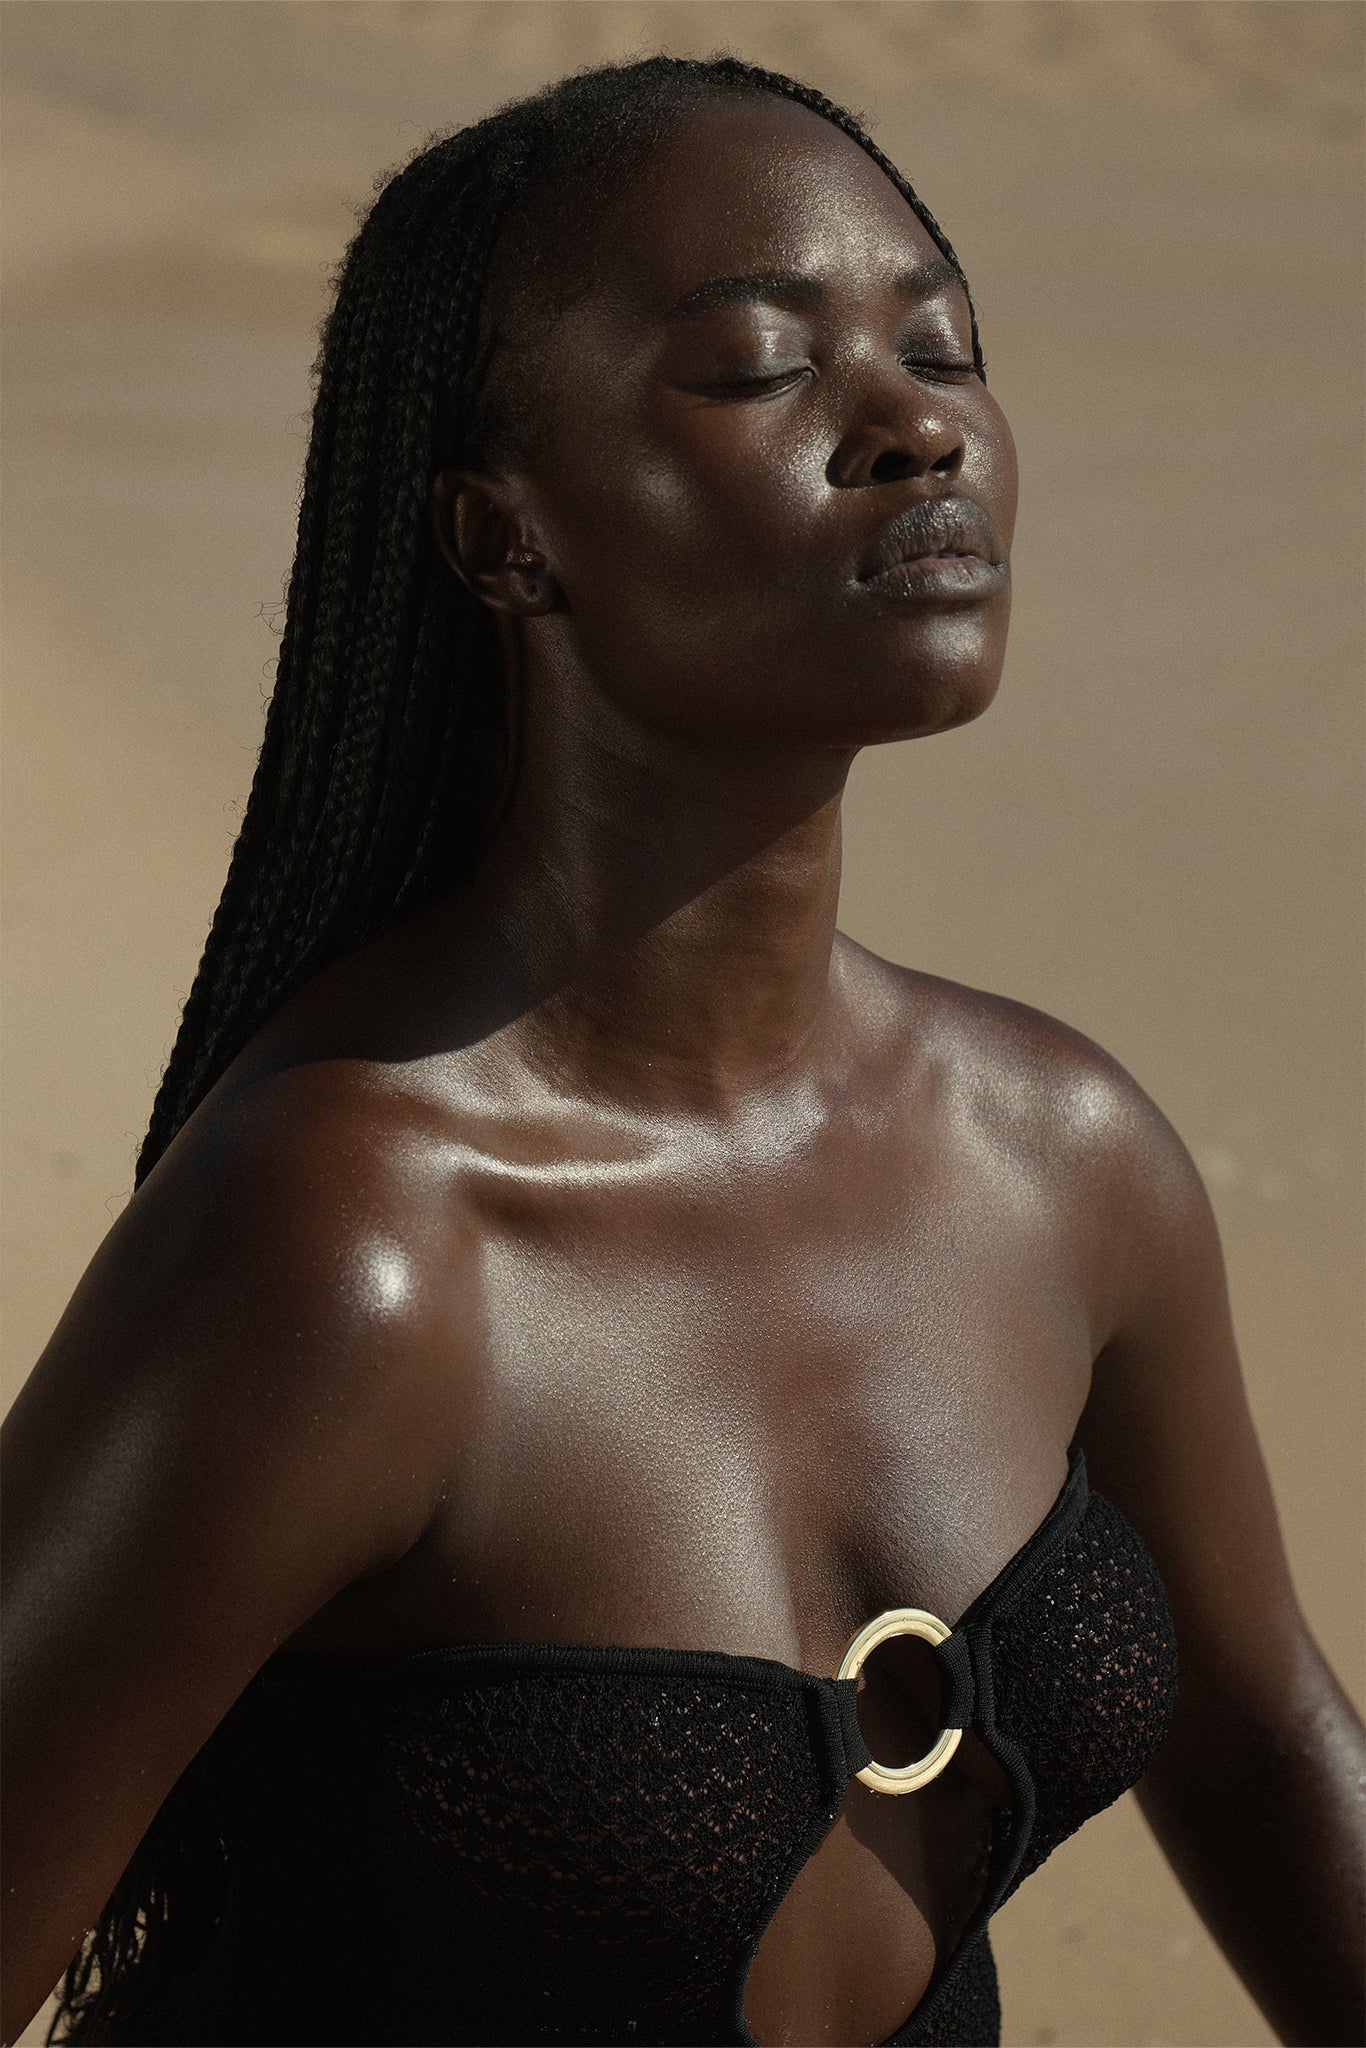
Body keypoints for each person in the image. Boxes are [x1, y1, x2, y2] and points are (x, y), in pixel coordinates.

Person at [1, 52, 1361, 2048]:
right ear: (500, 539)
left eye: (943, 347)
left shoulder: (1065, 1160)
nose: (912, 427)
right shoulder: (346, 1253)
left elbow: (1266, 1756)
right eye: (753, 366)